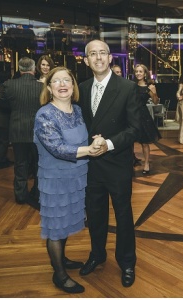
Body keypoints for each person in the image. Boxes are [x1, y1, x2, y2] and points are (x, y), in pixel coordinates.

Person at [33, 66, 105, 294]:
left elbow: (88, 134)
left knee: (64, 222)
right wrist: (90, 150)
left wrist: (97, 139)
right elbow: (57, 148)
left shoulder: (77, 110)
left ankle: (61, 259)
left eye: (68, 80)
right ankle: (60, 275)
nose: (63, 84)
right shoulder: (44, 114)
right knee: (55, 227)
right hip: (55, 180)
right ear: (49, 87)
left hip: (77, 178)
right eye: (57, 81)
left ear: (73, 86)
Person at [78, 39, 141, 287]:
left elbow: (135, 128)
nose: (98, 57)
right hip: (91, 166)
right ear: (86, 60)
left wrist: (110, 144)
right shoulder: (80, 88)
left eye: (102, 53)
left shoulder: (127, 88)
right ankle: (97, 254)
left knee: (123, 215)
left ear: (110, 57)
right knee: (95, 215)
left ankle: (127, 263)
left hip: (116, 163)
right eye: (92, 54)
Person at [0, 57, 42, 205]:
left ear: (19, 69)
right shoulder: (41, 87)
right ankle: (37, 193)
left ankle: (21, 196)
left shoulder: (9, 85)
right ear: (34, 69)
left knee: (20, 163)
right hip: (37, 132)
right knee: (37, 164)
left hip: (17, 131)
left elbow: (1, 100)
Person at [134, 64, 161, 174]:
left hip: (143, 115)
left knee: (144, 142)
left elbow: (155, 102)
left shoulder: (149, 87)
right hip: (132, 115)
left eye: (140, 71)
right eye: (136, 71)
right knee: (129, 141)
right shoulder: (132, 85)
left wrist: (154, 92)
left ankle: (146, 164)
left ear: (145, 73)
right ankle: (131, 161)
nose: (138, 73)